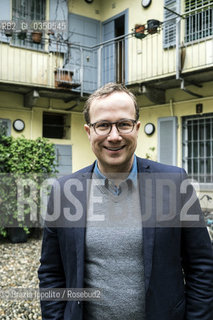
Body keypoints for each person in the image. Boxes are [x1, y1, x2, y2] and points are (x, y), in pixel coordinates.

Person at [38, 82, 213, 320]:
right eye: (103, 125)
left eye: (123, 124)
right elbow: (51, 273)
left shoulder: (174, 182)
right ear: (89, 132)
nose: (114, 136)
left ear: (137, 128)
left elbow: (202, 267)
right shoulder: (64, 192)